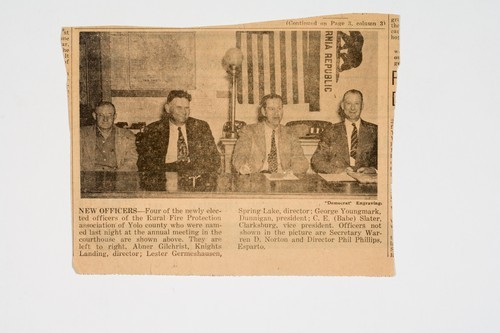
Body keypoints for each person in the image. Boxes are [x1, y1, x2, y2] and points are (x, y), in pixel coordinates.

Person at [137, 90, 220, 175]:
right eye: (179, 107)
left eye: (187, 108)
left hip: (193, 179)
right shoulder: (154, 129)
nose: (184, 112)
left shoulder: (201, 127)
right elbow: (144, 163)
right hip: (165, 177)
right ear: (168, 108)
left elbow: (214, 159)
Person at [232, 93, 308, 175]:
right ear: (263, 112)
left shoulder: (290, 133)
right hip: (257, 179)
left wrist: (291, 171)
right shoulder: (249, 131)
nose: (276, 113)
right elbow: (239, 155)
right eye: (271, 109)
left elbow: (301, 160)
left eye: (279, 108)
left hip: (283, 179)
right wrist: (242, 167)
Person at [311, 89, 377, 174]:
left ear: (362, 106)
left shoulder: (375, 131)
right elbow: (317, 161)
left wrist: (373, 170)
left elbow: (387, 159)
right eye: (348, 103)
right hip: (338, 181)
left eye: (356, 103)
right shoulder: (330, 130)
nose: (352, 108)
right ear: (342, 105)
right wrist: (337, 171)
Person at [80, 102, 138, 171]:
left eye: (109, 115)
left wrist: (116, 176)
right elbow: (75, 160)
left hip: (118, 176)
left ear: (115, 116)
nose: (105, 119)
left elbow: (131, 160)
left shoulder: (127, 135)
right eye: (101, 115)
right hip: (91, 177)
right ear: (94, 116)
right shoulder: (82, 134)